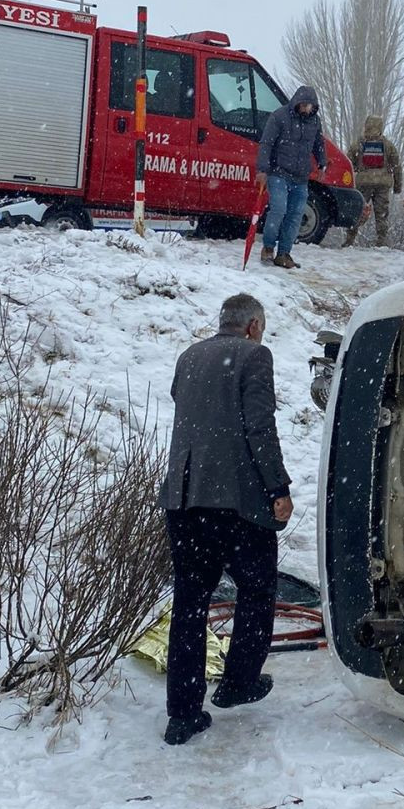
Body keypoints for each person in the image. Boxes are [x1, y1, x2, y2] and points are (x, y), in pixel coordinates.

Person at [159, 293, 294, 746]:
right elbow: (260, 427)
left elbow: (189, 410)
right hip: (236, 503)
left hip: (184, 498)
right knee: (257, 590)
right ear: (254, 325)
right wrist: (277, 487)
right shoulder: (255, 356)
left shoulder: (189, 355)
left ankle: (182, 714)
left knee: (190, 604)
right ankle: (238, 682)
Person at [256, 85, 326, 269]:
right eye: (303, 105)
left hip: (301, 177)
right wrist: (262, 169)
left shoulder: (315, 122)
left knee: (295, 216)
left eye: (309, 106)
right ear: (297, 102)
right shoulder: (279, 116)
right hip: (278, 172)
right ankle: (268, 247)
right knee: (279, 209)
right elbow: (266, 143)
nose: (306, 109)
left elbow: (318, 143)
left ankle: (284, 253)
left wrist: (322, 163)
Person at [345, 114, 402, 247]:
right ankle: (381, 242)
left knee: (358, 210)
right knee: (381, 213)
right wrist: (397, 186)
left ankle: (350, 239)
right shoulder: (387, 145)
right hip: (382, 184)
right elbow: (397, 166)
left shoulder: (359, 143)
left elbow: (348, 162)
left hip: (363, 183)